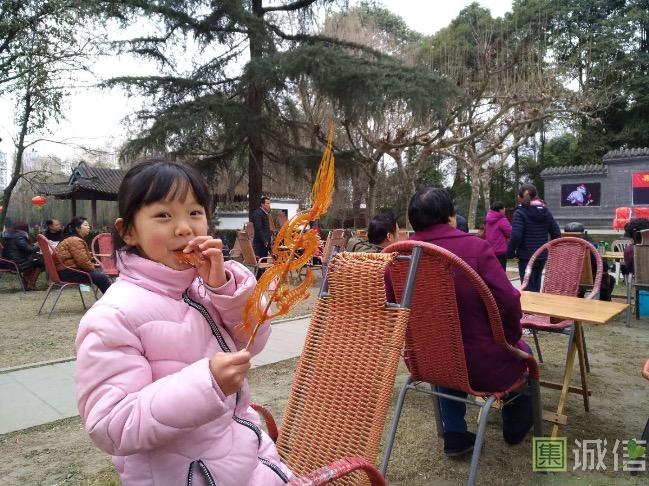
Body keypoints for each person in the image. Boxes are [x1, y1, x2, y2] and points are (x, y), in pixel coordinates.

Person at [74, 160, 291, 485]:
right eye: (164, 215)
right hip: (195, 475)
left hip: (249, 457)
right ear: (128, 231)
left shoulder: (202, 288)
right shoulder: (114, 316)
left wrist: (224, 290)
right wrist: (206, 384)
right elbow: (112, 425)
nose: (184, 228)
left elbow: (253, 343)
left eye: (194, 213)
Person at [387, 187, 533, 456]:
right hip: (482, 366)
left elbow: (392, 311)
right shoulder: (476, 249)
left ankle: (454, 432)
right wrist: (511, 339)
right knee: (525, 352)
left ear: (412, 220)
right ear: (450, 216)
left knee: (446, 348)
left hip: (427, 361)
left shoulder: (398, 258)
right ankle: (515, 428)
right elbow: (509, 302)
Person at [508, 184, 561, 292]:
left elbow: (516, 235)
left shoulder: (520, 212)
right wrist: (549, 249)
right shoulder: (545, 211)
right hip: (542, 254)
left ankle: (529, 303)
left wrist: (510, 252)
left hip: (526, 256)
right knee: (536, 285)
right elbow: (556, 233)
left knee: (527, 287)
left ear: (520, 197)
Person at [55, 217, 112, 294]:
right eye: (85, 225)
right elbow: (83, 262)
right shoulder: (75, 240)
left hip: (65, 272)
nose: (88, 227)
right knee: (101, 277)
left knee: (99, 275)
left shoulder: (71, 239)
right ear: (77, 228)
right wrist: (92, 267)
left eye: (88, 225)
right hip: (68, 273)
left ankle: (110, 298)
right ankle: (112, 299)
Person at [564, 222, 616, 301]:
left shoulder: (559, 246)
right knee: (608, 279)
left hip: (566, 279)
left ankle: (579, 296)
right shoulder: (590, 246)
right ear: (583, 233)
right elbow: (604, 267)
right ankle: (603, 302)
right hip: (589, 280)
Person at [1, 221, 44, 290]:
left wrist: (34, 245)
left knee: (31, 261)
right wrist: (39, 246)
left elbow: (21, 247)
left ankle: (26, 284)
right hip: (16, 264)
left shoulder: (11, 236)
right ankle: (31, 284)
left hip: (6, 262)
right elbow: (29, 250)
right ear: (25, 229)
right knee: (40, 263)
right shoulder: (20, 236)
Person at [485, 201, 512, 270]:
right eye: (504, 208)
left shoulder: (488, 219)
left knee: (492, 270)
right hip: (500, 250)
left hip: (490, 249)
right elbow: (510, 233)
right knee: (501, 271)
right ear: (500, 210)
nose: (505, 210)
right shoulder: (502, 220)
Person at [251, 196, 272, 278]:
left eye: (269, 203)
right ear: (262, 204)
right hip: (260, 243)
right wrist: (265, 241)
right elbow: (258, 228)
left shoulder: (265, 214)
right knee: (260, 263)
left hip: (265, 243)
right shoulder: (258, 213)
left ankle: (262, 280)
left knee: (263, 262)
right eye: (267, 203)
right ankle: (258, 280)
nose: (269, 205)